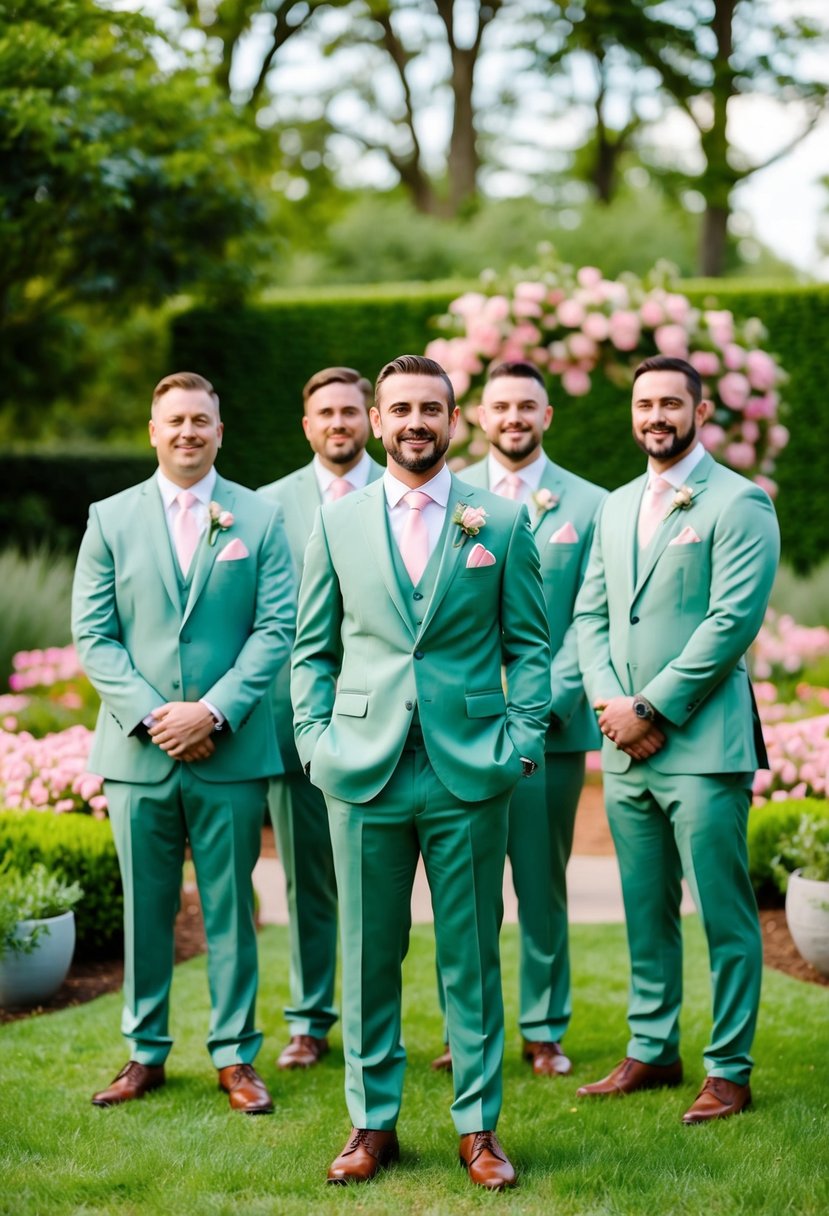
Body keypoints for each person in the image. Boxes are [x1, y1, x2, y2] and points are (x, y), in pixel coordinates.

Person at [291, 354, 551, 1189]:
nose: (414, 422)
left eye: (429, 409)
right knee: (367, 954)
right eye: (398, 408)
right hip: (360, 770)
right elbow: (311, 650)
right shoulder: (335, 524)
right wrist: (313, 741)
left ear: (452, 419)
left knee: (469, 956)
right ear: (375, 422)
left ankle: (477, 1130)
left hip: (468, 770)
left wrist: (517, 742)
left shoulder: (500, 522)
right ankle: (371, 1126)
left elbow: (530, 647)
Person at [72, 371, 295, 1113]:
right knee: (148, 907)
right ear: (152, 429)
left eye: (201, 420)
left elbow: (276, 629)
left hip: (228, 750)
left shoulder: (259, 519)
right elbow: (95, 635)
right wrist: (154, 716)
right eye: (175, 421)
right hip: (138, 755)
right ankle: (145, 1052)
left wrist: (213, 712)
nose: (188, 433)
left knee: (232, 907)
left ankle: (235, 1057)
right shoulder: (109, 518)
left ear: (219, 431)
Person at [574, 355, 780, 1123]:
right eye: (643, 403)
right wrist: (609, 706)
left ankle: (728, 1068)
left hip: (700, 745)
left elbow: (731, 623)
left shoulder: (739, 503)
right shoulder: (616, 504)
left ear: (699, 412)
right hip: (624, 745)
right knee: (643, 907)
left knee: (722, 912)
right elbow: (590, 617)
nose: (654, 415)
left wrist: (651, 710)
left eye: (669, 402)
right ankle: (653, 1049)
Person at [430, 361, 606, 1079]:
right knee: (462, 892)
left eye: (525, 406)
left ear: (545, 416)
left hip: (548, 730)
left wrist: (537, 705)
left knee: (540, 882)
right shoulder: (444, 496)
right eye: (499, 406)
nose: (512, 418)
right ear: (477, 415)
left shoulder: (590, 506)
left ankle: (542, 1028)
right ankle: (464, 1032)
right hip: (454, 732)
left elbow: (587, 617)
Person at [258, 366, 382, 1071]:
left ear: (368, 418)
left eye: (349, 411)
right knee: (307, 877)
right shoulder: (266, 506)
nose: (338, 423)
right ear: (307, 425)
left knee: (388, 882)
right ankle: (309, 1019)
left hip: (391, 722)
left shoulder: (408, 493)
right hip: (297, 720)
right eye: (324, 413)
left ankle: (386, 1013)